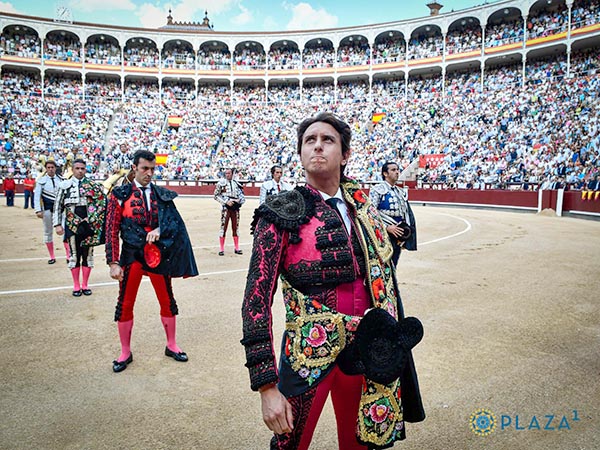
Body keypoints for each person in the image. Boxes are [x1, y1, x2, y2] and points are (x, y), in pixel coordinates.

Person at [241, 112, 425, 450]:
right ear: (300, 155)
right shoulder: (280, 212)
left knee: (360, 443)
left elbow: (383, 280)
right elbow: (256, 300)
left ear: (345, 154)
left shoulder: (363, 208)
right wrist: (266, 385)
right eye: (309, 141)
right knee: (289, 444)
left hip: (366, 349)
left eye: (327, 140)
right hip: (307, 350)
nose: (317, 147)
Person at [105, 150, 198, 373]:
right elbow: (111, 229)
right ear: (134, 168)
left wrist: (159, 229)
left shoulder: (161, 194)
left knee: (167, 299)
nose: (149, 173)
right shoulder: (119, 194)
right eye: (145, 168)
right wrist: (112, 262)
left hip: (157, 255)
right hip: (131, 256)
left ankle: (171, 345)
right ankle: (125, 352)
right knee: (125, 302)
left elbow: (175, 224)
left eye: (152, 169)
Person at [53, 159, 106, 297]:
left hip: (89, 224)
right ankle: (76, 285)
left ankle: (85, 285)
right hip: (72, 225)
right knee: (74, 255)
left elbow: (102, 203)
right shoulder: (65, 185)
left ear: (85, 169)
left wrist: (93, 218)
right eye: (77, 168)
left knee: (88, 255)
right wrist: (57, 224)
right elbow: (58, 206)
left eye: (82, 168)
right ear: (73, 169)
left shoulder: (93, 185)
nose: (80, 171)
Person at [369, 162, 417, 267]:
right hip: (383, 235)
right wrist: (386, 227)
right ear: (385, 174)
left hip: (398, 235)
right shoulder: (377, 189)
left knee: (393, 265)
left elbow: (406, 214)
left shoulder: (400, 192)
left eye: (397, 170)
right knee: (382, 265)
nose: (397, 172)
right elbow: (371, 213)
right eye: (393, 170)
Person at [34, 160, 64, 264]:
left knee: (66, 232)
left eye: (52, 167)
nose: (51, 169)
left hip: (61, 211)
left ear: (55, 168)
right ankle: (52, 256)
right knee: (48, 232)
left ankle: (69, 256)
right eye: (49, 167)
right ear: (46, 169)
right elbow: (37, 197)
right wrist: (38, 210)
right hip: (47, 210)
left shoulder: (61, 180)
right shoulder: (41, 181)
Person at [214, 167, 245, 256]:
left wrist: (239, 201)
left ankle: (236, 247)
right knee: (223, 228)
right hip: (226, 208)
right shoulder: (221, 183)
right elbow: (216, 195)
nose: (227, 175)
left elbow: (242, 196)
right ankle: (221, 249)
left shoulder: (236, 184)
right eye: (226, 173)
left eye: (229, 173)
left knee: (235, 227)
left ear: (232, 174)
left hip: (235, 208)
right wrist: (226, 201)